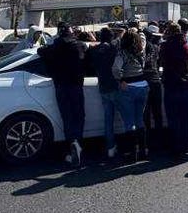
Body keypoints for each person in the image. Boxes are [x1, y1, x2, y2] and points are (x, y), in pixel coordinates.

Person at [37, 22, 88, 166]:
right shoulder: (79, 46)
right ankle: (77, 142)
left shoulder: (53, 48)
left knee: (67, 118)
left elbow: (40, 51)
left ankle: (71, 143)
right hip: (76, 87)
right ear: (71, 33)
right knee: (79, 116)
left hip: (60, 87)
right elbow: (86, 49)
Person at [112, 28, 150, 160]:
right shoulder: (141, 53)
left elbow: (116, 69)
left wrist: (121, 79)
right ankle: (144, 150)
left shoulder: (122, 53)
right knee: (140, 119)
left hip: (129, 86)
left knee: (129, 122)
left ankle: (133, 152)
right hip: (143, 85)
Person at [160, 22, 188, 155]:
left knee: (172, 117)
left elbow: (162, 61)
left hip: (170, 83)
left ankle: (175, 145)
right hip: (184, 83)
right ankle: (185, 144)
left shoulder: (165, 46)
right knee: (185, 117)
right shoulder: (187, 45)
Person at [88, 27, 121, 158]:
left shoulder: (95, 50)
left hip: (102, 85)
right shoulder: (113, 49)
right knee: (127, 115)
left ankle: (110, 146)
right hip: (115, 85)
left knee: (108, 119)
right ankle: (133, 143)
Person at [142, 24, 164, 148]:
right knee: (157, 113)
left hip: (145, 81)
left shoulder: (143, 47)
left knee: (146, 113)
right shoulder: (156, 47)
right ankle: (159, 140)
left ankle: (148, 141)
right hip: (155, 81)